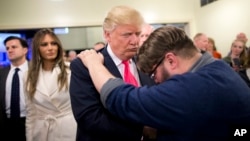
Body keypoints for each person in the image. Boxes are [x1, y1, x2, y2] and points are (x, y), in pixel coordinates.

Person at [78, 26, 250, 141]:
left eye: (154, 74)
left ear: (171, 60)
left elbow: (122, 99)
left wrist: (93, 63)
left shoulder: (190, 88)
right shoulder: (218, 67)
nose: (156, 81)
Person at [70, 5, 155, 141]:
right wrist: (141, 129)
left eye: (138, 34)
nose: (135, 41)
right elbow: (89, 117)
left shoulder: (146, 61)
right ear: (107, 34)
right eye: (127, 34)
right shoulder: (85, 65)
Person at [24, 28, 77, 141]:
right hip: (41, 131)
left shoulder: (71, 69)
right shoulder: (27, 75)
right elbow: (30, 111)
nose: (50, 48)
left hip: (68, 128)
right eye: (44, 44)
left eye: (53, 43)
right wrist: (30, 137)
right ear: (37, 48)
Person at [0, 36, 29, 141]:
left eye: (14, 47)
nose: (10, 50)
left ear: (25, 50)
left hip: (30, 122)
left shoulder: (36, 71)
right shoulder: (2, 73)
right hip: (6, 124)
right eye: (7, 48)